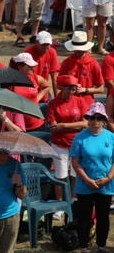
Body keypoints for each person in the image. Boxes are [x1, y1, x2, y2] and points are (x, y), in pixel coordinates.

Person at [70, 102, 114, 253]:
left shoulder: (111, 137)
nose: (95, 120)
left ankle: (101, 246)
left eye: (99, 117)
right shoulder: (80, 138)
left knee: (103, 218)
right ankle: (83, 247)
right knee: (84, 218)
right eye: (93, 117)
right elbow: (75, 161)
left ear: (104, 119)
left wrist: (108, 178)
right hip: (84, 185)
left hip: (106, 184)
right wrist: (87, 180)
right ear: (88, 118)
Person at [47, 75, 88, 219]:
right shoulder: (53, 103)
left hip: (76, 144)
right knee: (60, 175)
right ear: (63, 88)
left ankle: (73, 201)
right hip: (59, 144)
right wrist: (71, 127)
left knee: (75, 175)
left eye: (74, 88)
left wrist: (63, 125)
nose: (72, 91)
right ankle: (59, 205)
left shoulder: (80, 101)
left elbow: (85, 123)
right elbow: (53, 126)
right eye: (70, 88)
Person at [60, 31, 104, 109]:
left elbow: (101, 88)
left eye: (79, 49)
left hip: (86, 102)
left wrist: (84, 90)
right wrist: (70, 89)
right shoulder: (66, 62)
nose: (77, 51)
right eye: (75, 48)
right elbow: (59, 85)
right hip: (68, 101)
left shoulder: (93, 63)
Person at [25, 31, 60, 100]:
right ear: (36, 43)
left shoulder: (52, 52)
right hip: (30, 91)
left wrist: (57, 99)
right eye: (43, 44)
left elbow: (55, 78)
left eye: (48, 44)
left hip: (43, 90)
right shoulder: (28, 53)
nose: (45, 47)